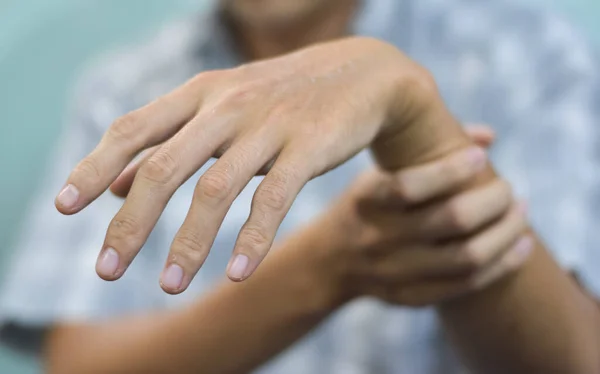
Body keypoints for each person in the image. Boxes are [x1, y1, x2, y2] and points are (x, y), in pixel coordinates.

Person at [2, 0, 600, 373]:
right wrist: (325, 268)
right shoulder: (126, 86)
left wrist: (414, 116)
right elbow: (79, 363)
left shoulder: (520, 53)